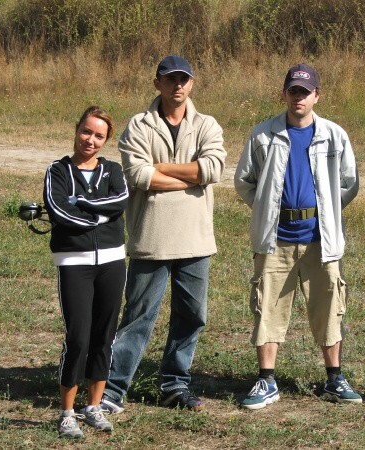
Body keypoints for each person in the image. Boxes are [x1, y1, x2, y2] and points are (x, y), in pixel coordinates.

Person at [100, 55, 226, 414]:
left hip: (195, 238)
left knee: (192, 315)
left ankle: (174, 384)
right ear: (157, 83)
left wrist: (161, 170)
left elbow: (213, 169)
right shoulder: (139, 125)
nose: (178, 86)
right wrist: (190, 177)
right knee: (138, 317)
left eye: (183, 79)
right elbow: (137, 175)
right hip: (151, 237)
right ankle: (113, 388)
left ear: (192, 83)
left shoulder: (207, 125)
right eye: (170, 79)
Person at [234, 63, 361, 410]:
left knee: (329, 306)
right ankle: (266, 379)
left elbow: (349, 183)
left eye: (305, 92)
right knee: (268, 307)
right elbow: (244, 181)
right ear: (284, 94)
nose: (298, 97)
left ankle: (334, 378)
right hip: (276, 239)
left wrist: (327, 211)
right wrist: (266, 208)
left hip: (321, 240)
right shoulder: (263, 135)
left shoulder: (334, 135)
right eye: (293, 91)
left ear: (317, 95)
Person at [43, 106, 129, 438]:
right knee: (78, 337)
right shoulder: (57, 170)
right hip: (73, 262)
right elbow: (58, 209)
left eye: (98, 135)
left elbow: (119, 201)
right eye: (86, 131)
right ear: (76, 128)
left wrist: (82, 203)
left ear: (105, 140)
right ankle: (67, 412)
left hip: (111, 261)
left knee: (104, 334)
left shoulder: (113, 170)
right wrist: (97, 217)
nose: (90, 140)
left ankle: (92, 407)